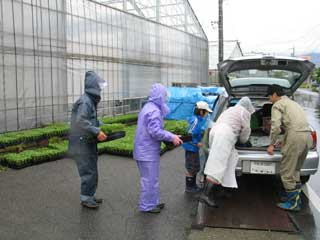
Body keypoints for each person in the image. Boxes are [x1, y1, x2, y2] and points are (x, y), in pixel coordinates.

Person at [133, 83, 183, 213]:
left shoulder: (148, 107)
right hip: (147, 151)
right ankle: (147, 206)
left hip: (144, 149)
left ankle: (152, 202)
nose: (165, 98)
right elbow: (155, 132)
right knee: (149, 180)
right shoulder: (154, 110)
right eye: (164, 96)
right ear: (160, 96)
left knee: (151, 179)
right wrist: (171, 137)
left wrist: (171, 136)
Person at [199, 97, 255, 207]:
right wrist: (244, 141)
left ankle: (221, 189)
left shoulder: (230, 109)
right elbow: (245, 132)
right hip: (224, 135)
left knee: (229, 160)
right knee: (217, 164)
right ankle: (205, 194)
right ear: (248, 106)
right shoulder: (245, 112)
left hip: (216, 132)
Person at [266, 84, 312, 211]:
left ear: (275, 94)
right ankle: (294, 198)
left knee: (286, 172)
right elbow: (294, 124)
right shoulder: (293, 103)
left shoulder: (277, 105)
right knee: (296, 170)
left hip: (295, 137)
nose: (269, 99)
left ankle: (293, 203)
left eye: (269, 96)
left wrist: (271, 144)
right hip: (307, 136)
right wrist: (285, 140)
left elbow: (275, 127)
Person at [68, 71, 107, 209]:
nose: (100, 88)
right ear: (93, 86)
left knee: (92, 169)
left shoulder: (90, 100)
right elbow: (81, 121)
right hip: (80, 143)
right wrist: (96, 131)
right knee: (88, 171)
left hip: (86, 142)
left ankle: (90, 195)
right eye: (98, 85)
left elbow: (89, 119)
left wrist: (100, 125)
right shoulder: (86, 101)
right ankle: (86, 199)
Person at [182, 101, 212, 193]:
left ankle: (193, 185)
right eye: (206, 112)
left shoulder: (198, 120)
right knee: (191, 167)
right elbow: (187, 135)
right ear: (201, 111)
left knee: (195, 167)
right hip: (191, 148)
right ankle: (189, 187)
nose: (207, 114)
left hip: (193, 148)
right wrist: (196, 143)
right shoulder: (195, 120)